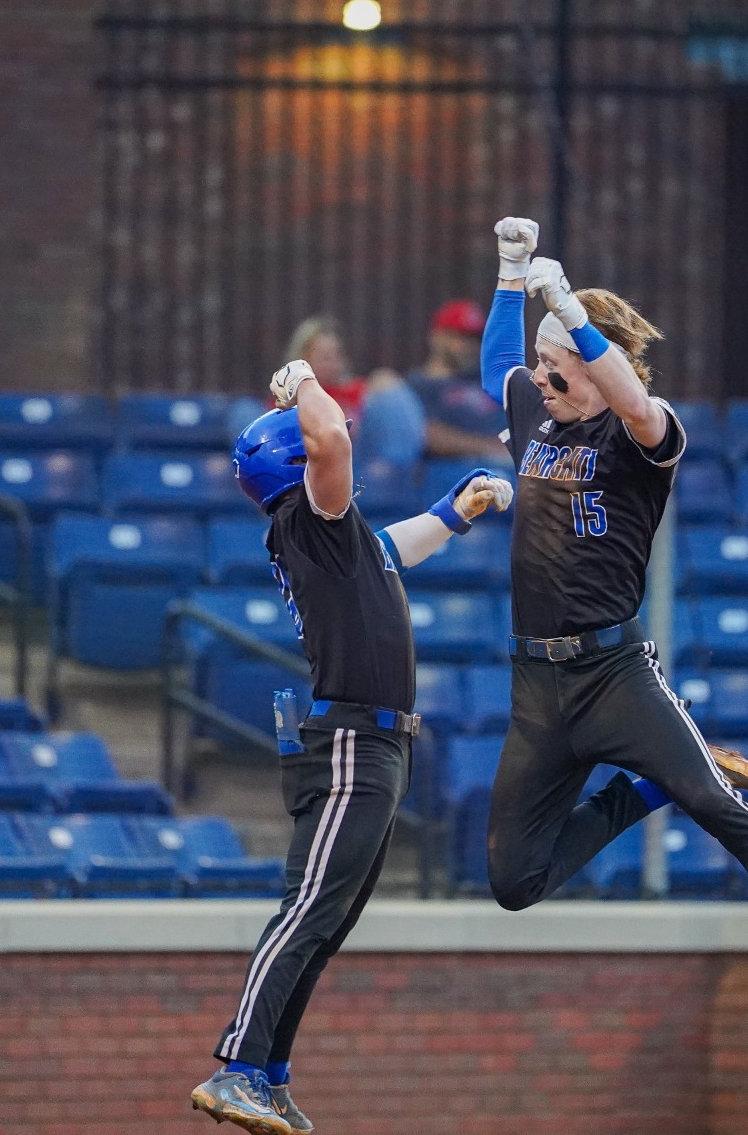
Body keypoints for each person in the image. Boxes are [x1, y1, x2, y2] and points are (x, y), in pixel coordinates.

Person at [477, 215, 748, 1007]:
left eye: (556, 367)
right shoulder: (538, 415)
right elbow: (496, 367)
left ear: (594, 367)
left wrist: (569, 310)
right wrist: (510, 274)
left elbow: (637, 405)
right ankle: (645, 790)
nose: (540, 378)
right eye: (542, 366)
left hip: (613, 674)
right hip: (536, 683)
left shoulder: (641, 431)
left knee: (713, 800)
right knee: (514, 880)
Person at [191, 356, 513, 1135]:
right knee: (307, 911)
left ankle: (269, 1076)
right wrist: (302, 379)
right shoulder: (307, 517)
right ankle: (236, 1067)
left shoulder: (335, 537)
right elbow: (331, 436)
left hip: (379, 744)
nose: (342, 455)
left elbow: (392, 549)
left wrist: (454, 510)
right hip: (352, 744)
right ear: (296, 464)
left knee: (326, 923)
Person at [407, 299, 511, 462]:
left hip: (504, 470)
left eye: (473, 339)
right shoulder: (419, 385)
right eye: (459, 337)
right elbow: (424, 433)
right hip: (448, 470)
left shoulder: (489, 382)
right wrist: (488, 449)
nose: (468, 346)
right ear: (437, 337)